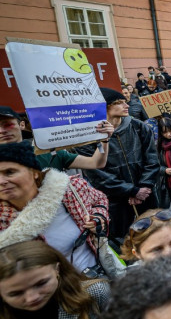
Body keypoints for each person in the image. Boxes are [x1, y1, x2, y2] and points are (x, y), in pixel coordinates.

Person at [0, 141, 109, 273]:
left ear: (34, 172)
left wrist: (98, 218)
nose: (2, 181)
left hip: (97, 272)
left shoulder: (70, 190)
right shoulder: (3, 220)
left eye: (10, 172)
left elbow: (99, 200)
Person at [75, 89, 159, 239]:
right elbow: (96, 174)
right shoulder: (88, 136)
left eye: (125, 101)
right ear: (104, 107)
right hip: (115, 202)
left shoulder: (139, 127)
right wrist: (131, 190)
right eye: (119, 103)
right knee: (123, 240)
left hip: (146, 196)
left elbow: (152, 159)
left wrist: (144, 187)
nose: (126, 105)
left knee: (155, 234)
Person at [0, 104, 113, 170]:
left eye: (8, 125)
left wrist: (104, 139)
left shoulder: (46, 151)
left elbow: (96, 163)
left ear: (22, 125)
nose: (1, 131)